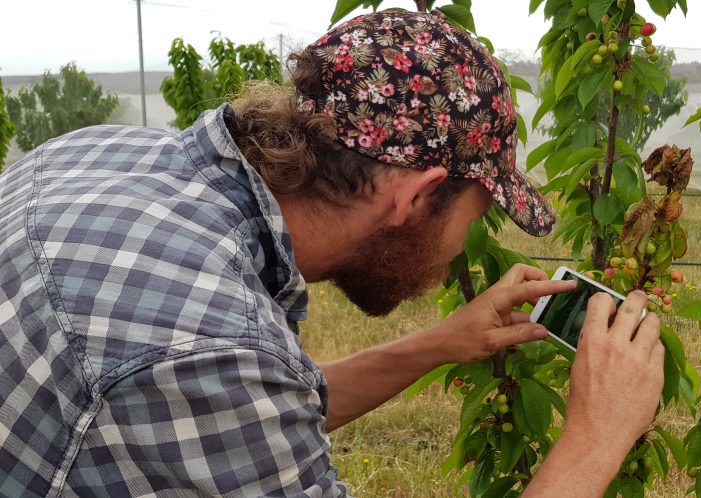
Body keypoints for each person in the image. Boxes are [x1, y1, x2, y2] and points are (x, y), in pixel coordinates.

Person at [0, 11, 664, 498]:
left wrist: (440, 343)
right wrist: (596, 438)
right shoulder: (213, 346)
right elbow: (219, 371)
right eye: (478, 214)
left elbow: (251, 409)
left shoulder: (94, 153)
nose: (465, 241)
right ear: (419, 195)